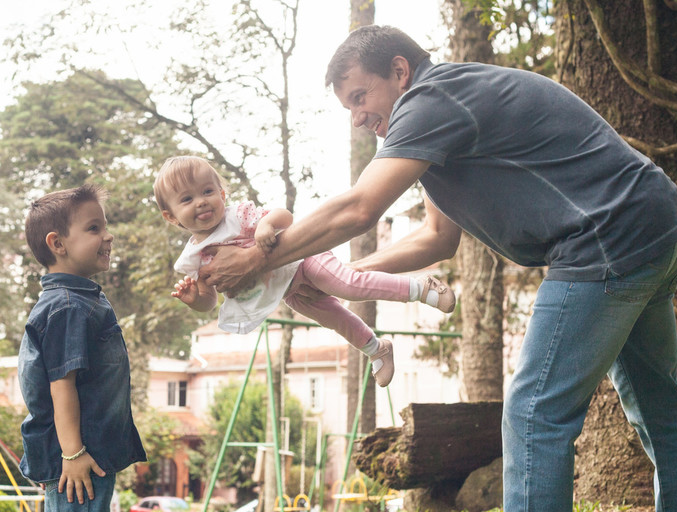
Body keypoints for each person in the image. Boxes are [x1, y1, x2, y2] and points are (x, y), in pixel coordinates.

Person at [198, 25, 677, 512]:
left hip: (605, 238)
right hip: (655, 229)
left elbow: (359, 206)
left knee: (534, 409)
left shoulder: (430, 100)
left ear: (399, 71)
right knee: (658, 404)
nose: (359, 117)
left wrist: (263, 255)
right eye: (348, 108)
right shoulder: (437, 120)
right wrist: (341, 276)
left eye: (361, 98)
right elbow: (436, 239)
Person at [154, 154, 454, 387]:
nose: (201, 202)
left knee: (348, 285)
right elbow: (209, 300)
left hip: (303, 260)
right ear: (170, 216)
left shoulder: (238, 216)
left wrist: (266, 225)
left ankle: (422, 288)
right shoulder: (193, 257)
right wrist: (195, 299)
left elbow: (284, 216)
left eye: (207, 191)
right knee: (334, 319)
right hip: (288, 291)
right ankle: (376, 349)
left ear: (221, 193)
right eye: (187, 199)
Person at [19, 184, 146, 512]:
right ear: (58, 243)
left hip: (79, 453)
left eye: (105, 225)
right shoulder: (69, 306)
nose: (107, 236)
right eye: (94, 227)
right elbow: (61, 384)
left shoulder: (75, 299)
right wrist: (73, 453)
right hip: (80, 458)